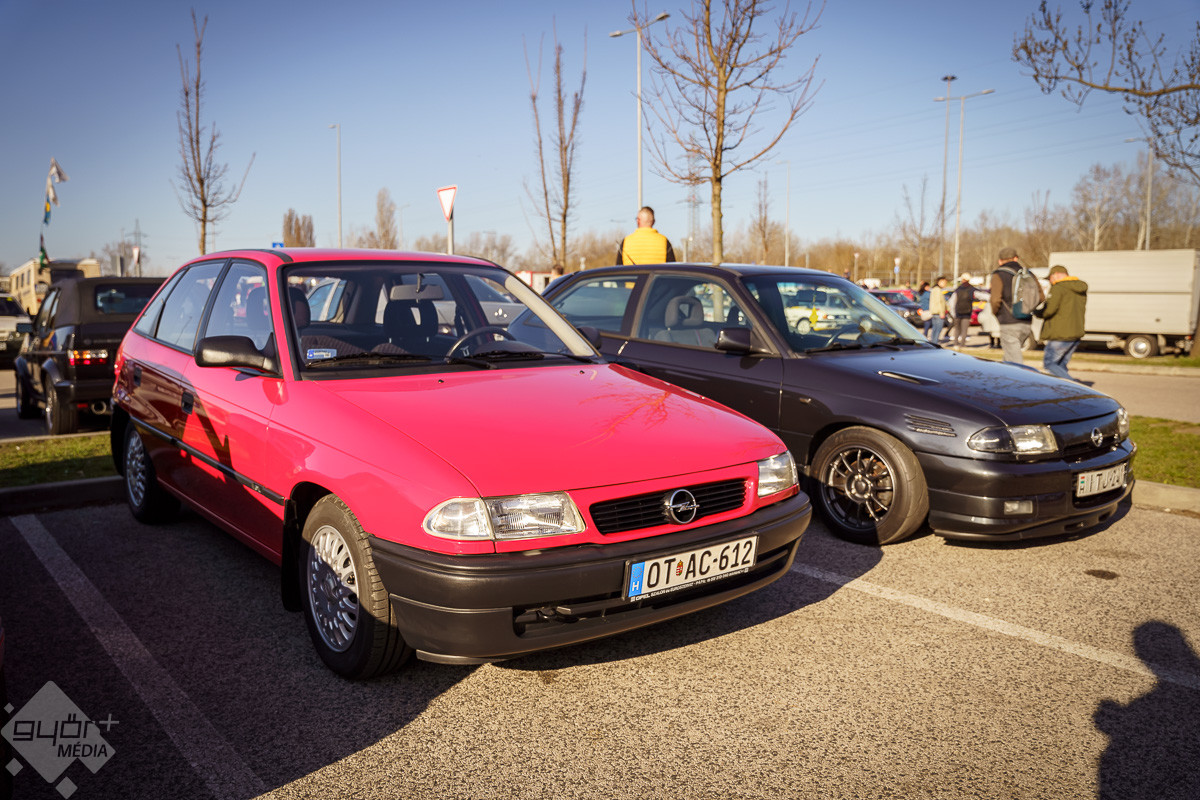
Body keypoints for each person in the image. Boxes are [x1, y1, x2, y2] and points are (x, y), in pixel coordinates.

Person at [989, 247, 1044, 364]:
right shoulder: (1029, 274)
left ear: (1000, 261)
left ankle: (1019, 375)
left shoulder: (998, 275)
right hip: (1027, 321)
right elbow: (1041, 297)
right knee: (1009, 358)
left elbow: (995, 300)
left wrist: (996, 313)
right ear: (1016, 258)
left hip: (1008, 321)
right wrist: (1028, 308)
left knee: (1014, 361)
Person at [1034, 264, 1088, 381]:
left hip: (1060, 334)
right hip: (1075, 333)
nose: (1050, 281)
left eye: (1050, 278)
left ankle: (1073, 386)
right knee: (1060, 365)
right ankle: (1061, 388)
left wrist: (1036, 312)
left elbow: (1049, 310)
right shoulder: (1080, 287)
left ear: (1056, 275)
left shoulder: (1058, 288)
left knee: (1049, 364)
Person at [949, 273, 974, 347]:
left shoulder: (958, 290)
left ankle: (955, 343)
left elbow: (952, 302)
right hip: (967, 312)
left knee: (957, 329)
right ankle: (962, 344)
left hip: (958, 312)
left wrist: (953, 313)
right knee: (964, 330)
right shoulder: (971, 289)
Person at [929, 275, 949, 342]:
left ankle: (933, 342)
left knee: (935, 329)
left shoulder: (935, 289)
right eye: (944, 282)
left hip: (935, 312)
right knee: (938, 329)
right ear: (940, 282)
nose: (945, 284)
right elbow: (938, 302)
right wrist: (941, 313)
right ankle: (935, 342)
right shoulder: (937, 290)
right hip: (938, 313)